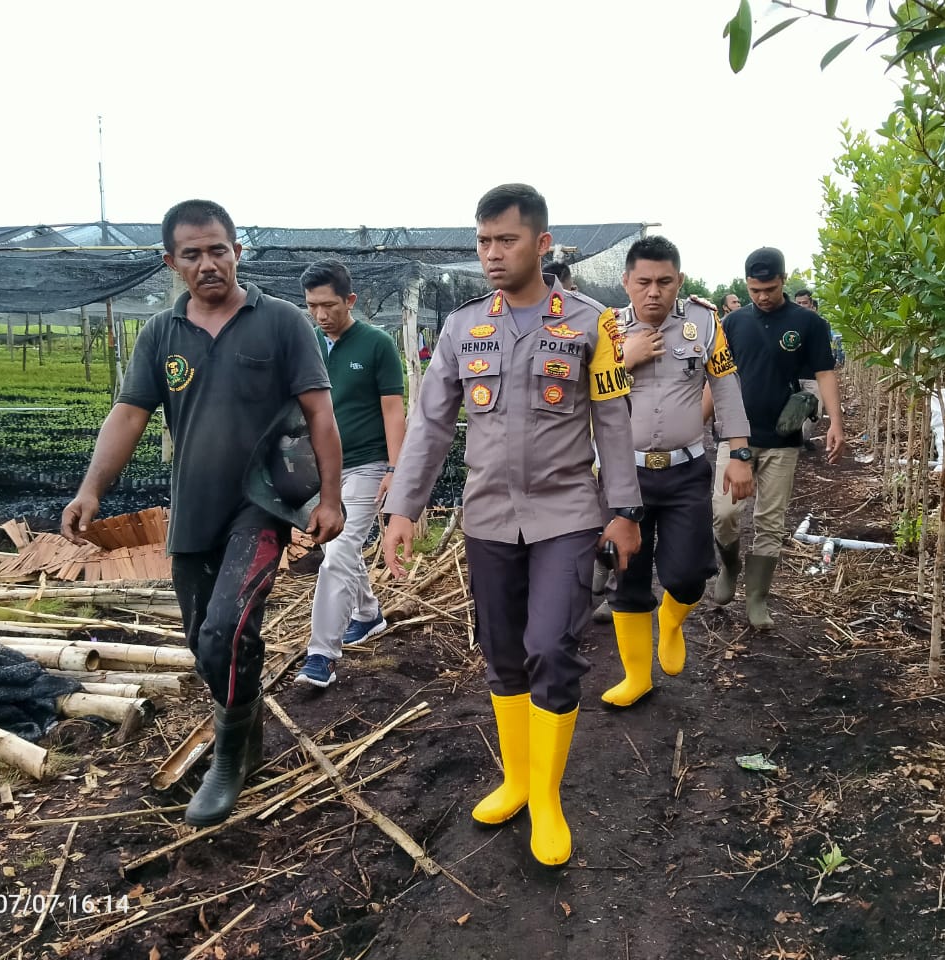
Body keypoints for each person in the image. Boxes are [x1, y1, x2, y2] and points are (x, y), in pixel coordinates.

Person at [61, 199, 344, 828]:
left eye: (218, 249)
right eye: (192, 253)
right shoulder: (162, 334)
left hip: (262, 505)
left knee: (224, 630)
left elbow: (320, 414)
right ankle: (250, 726)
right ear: (172, 262)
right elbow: (128, 415)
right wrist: (90, 490)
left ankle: (227, 759)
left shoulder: (282, 324)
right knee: (207, 642)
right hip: (194, 511)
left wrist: (329, 498)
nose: (208, 262)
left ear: (237, 251)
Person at [382, 183, 642, 867]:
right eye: (483, 241)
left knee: (551, 649)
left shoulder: (595, 325)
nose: (492, 254)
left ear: (542, 244)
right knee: (502, 655)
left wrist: (624, 511)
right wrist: (403, 507)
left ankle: (548, 798)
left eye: (507, 240)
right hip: (489, 516)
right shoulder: (464, 327)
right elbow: (432, 423)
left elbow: (613, 423)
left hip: (567, 515)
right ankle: (518, 780)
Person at [600, 236, 752, 708]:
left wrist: (741, 453)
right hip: (624, 474)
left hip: (686, 469)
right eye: (643, 281)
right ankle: (636, 676)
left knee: (687, 574)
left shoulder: (704, 324)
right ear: (625, 282)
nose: (653, 292)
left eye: (665, 282)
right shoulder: (604, 329)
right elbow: (581, 389)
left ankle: (671, 619)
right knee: (626, 575)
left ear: (679, 281)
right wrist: (626, 357)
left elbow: (725, 386)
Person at [709, 248, 844, 629]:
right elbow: (718, 379)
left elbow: (824, 372)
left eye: (768, 288)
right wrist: (697, 423)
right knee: (724, 513)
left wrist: (836, 421)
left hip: (783, 438)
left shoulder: (808, 324)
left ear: (782, 280)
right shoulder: (732, 324)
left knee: (770, 521)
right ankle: (730, 566)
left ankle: (757, 600)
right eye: (754, 289)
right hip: (736, 438)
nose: (762, 296)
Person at [294, 259, 406, 688]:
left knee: (336, 555)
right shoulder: (309, 345)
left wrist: (396, 468)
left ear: (350, 300)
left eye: (329, 305)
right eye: (312, 306)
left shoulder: (376, 344)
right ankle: (367, 614)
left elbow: (394, 411)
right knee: (342, 547)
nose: (321, 315)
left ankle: (321, 654)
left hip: (367, 463)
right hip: (322, 469)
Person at [793, 289, 823, 449]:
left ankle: (803, 438)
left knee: (815, 412)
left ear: (811, 304)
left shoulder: (819, 325)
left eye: (804, 303)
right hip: (793, 376)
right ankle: (794, 441)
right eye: (798, 303)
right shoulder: (788, 325)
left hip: (813, 376)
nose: (801, 306)